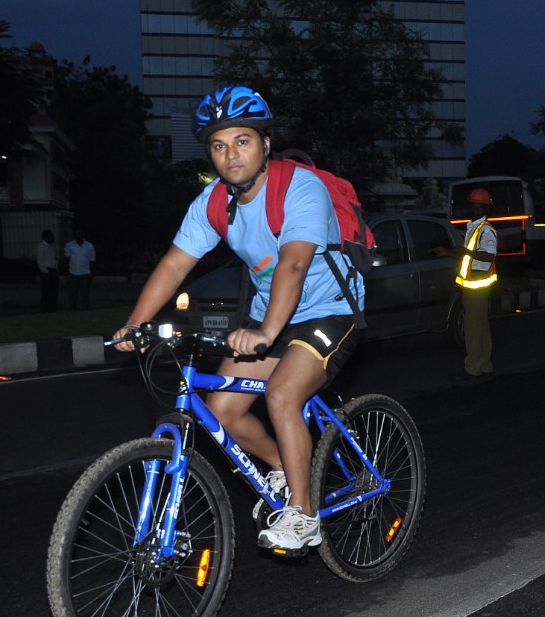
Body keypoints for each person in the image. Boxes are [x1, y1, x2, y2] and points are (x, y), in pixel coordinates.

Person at [113, 85, 364, 551]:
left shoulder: (299, 188)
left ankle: (304, 516)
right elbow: (174, 263)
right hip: (271, 314)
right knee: (222, 411)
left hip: (329, 310)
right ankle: (286, 472)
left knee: (282, 394)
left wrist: (267, 332)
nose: (230, 155)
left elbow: (292, 264)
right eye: (218, 145)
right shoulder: (213, 203)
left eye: (241, 141)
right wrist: (136, 323)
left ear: (265, 143)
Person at [453, 187, 497, 380]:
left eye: (479, 207)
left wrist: (466, 253)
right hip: (472, 285)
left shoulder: (486, 230)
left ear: (486, 208)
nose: (475, 209)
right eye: (473, 206)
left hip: (478, 287)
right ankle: (484, 364)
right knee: (480, 326)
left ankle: (473, 368)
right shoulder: (474, 228)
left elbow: (488, 256)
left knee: (473, 328)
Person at [63, 228, 96, 311]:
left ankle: (85, 310)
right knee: (72, 293)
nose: (79, 235)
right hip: (72, 273)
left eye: (80, 233)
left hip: (85, 273)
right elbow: (67, 259)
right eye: (77, 234)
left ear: (83, 234)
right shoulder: (69, 245)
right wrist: (67, 272)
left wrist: (91, 273)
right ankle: (72, 310)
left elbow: (92, 259)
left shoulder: (89, 245)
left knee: (85, 294)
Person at [35, 229, 59, 312]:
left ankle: (52, 308)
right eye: (51, 235)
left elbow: (52, 258)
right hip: (47, 271)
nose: (53, 237)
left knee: (53, 291)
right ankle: (45, 309)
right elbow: (39, 260)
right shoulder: (41, 247)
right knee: (47, 292)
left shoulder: (51, 246)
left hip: (53, 270)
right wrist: (45, 271)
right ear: (45, 237)